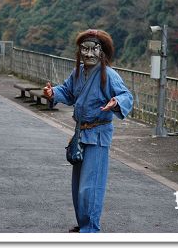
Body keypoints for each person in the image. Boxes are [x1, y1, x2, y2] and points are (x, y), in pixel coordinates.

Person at [43, 29, 133, 233]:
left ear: (102, 51)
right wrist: (52, 93)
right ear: (79, 51)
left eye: (94, 49)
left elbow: (126, 95)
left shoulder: (108, 74)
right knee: (78, 187)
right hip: (81, 134)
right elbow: (66, 91)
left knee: (90, 187)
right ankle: (84, 224)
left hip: (98, 135)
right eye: (85, 49)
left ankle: (90, 229)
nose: (89, 54)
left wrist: (116, 102)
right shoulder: (77, 72)